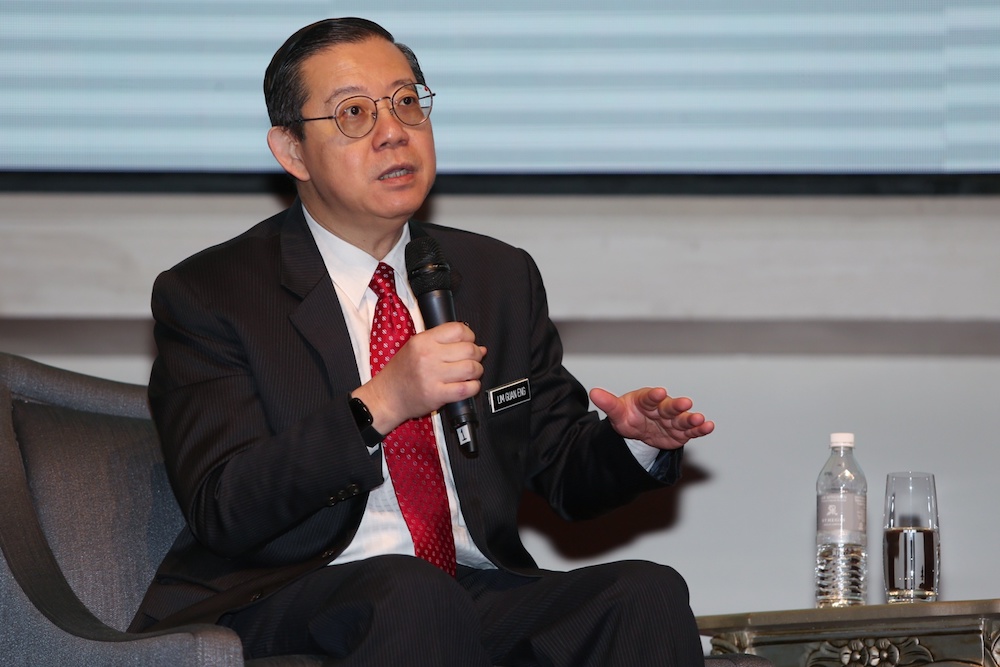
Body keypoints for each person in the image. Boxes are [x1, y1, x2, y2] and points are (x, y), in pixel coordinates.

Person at [129, 17, 715, 667]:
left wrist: (630, 440)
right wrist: (379, 402)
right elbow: (226, 504)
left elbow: (559, 467)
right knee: (411, 592)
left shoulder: (496, 275)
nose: (393, 131)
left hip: (467, 587)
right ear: (291, 150)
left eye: (407, 101)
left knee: (644, 591)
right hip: (286, 592)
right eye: (354, 112)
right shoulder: (214, 293)